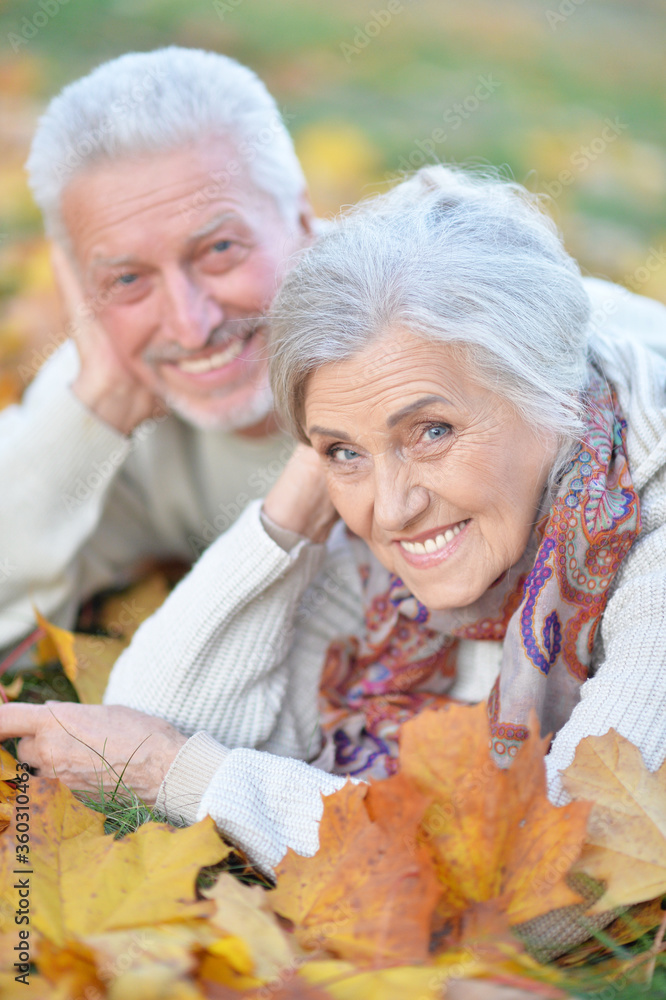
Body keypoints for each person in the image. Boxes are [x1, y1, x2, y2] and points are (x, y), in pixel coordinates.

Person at [4, 166, 664, 889]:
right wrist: (302, 496)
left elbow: (552, 879)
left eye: (433, 431)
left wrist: (181, 773)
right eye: (340, 451)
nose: (391, 507)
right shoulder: (392, 512)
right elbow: (158, 710)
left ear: (555, 396)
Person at [0, 45, 318, 652]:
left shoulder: (421, 342)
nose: (190, 325)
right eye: (127, 279)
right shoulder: (117, 387)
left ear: (300, 214)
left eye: (220, 249)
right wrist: (100, 402)